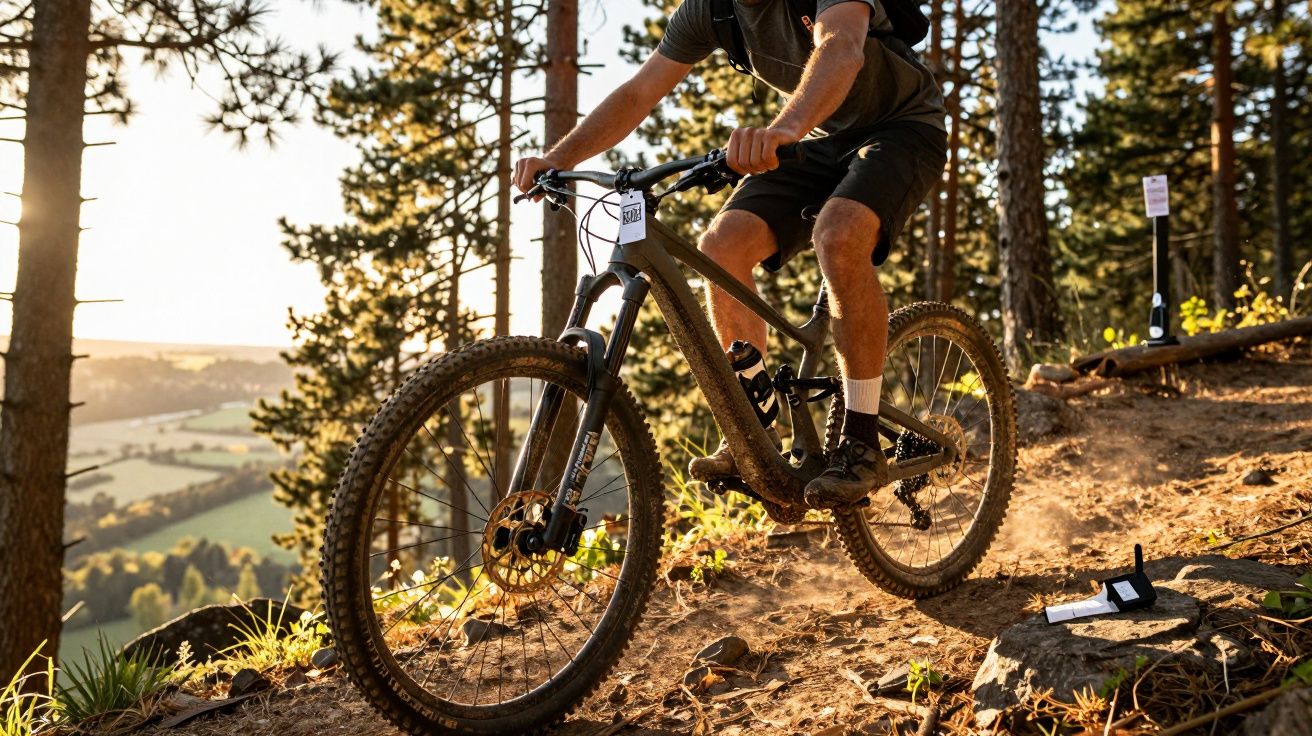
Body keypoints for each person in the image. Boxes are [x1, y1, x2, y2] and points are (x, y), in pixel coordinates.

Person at [514, 0, 947, 508]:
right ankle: (754, 429)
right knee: (720, 249)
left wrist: (785, 129)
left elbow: (841, 46)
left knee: (838, 235)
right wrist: (558, 158)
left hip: (902, 128)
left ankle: (861, 438)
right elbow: (639, 91)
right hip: (823, 134)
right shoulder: (710, 10)